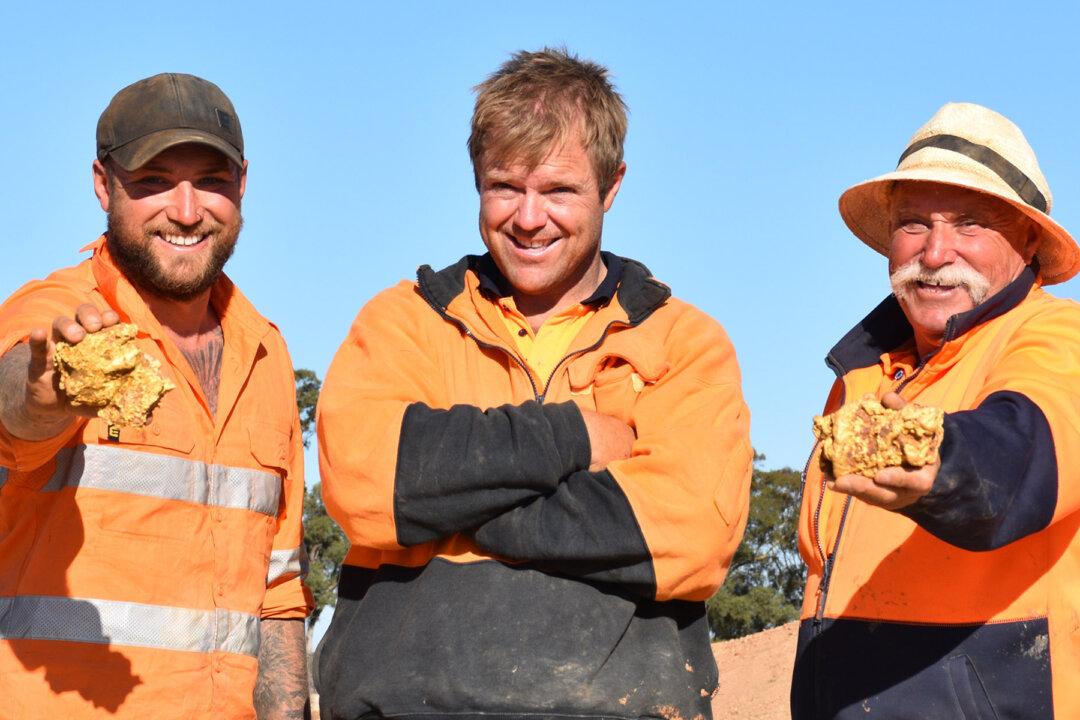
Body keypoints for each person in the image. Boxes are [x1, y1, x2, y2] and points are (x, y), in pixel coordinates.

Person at [315, 48, 753, 720]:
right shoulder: (404, 321)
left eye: (558, 190)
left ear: (611, 187)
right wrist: (576, 437)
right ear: (476, 183)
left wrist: (449, 499)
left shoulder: (683, 342)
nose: (527, 217)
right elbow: (365, 485)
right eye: (504, 186)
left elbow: (690, 538)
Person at [0, 73, 312, 719]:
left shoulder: (266, 352)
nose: (188, 209)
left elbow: (277, 589)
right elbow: (12, 411)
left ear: (243, 184)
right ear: (102, 183)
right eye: (154, 182)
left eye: (212, 180)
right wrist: (44, 394)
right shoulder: (55, 314)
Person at [792, 102, 1080, 719]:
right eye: (914, 224)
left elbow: (1024, 449)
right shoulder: (862, 376)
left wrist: (937, 459)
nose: (936, 251)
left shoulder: (1059, 335)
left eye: (970, 224)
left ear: (1028, 241)